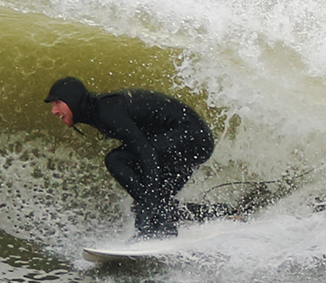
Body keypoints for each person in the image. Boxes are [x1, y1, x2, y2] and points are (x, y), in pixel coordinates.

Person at [45, 76, 214, 238]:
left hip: (191, 136)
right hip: (192, 140)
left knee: (116, 160)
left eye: (58, 103)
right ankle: (222, 214)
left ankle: (157, 227)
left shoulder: (107, 110)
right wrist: (149, 202)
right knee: (154, 201)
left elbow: (147, 153)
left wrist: (148, 208)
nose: (54, 111)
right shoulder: (98, 111)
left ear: (73, 99)